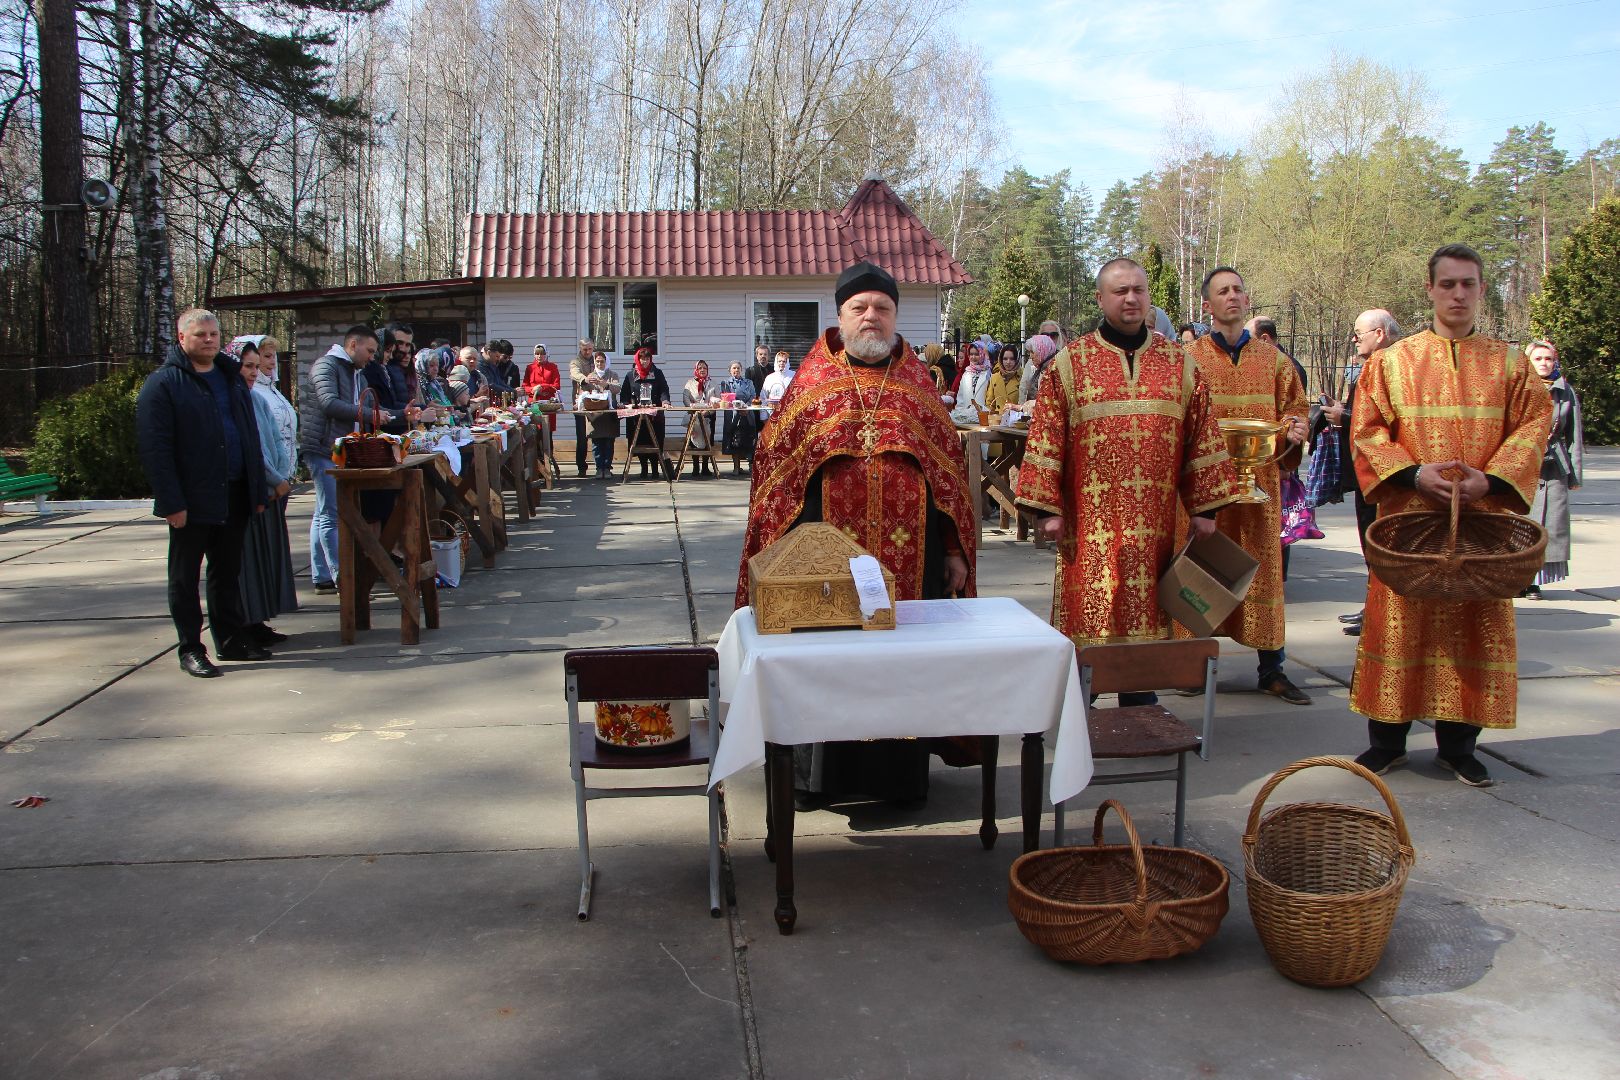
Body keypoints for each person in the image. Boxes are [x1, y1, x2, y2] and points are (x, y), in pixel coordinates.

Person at [735, 261, 978, 807]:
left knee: (903, 662)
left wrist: (955, 550)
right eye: (859, 308)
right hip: (822, 564)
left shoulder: (917, 383)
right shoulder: (812, 381)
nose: (872, 317)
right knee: (825, 662)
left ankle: (898, 782)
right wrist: (777, 555)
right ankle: (817, 781)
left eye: (882, 308)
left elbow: (946, 478)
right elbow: (775, 470)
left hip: (912, 561)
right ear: (840, 315)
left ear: (896, 316)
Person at [1349, 243, 1552, 787]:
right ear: (1430, 289)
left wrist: (1495, 478)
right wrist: (1414, 474)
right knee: (1398, 627)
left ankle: (1459, 747)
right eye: (1447, 284)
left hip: (1480, 525)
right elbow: (1366, 431)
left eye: (1468, 284)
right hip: (1410, 526)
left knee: (1473, 627)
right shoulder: (1392, 361)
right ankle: (1386, 742)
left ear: (1481, 289)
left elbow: (1534, 425)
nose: (1457, 294)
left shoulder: (1510, 363)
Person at [1016, 259, 1240, 706]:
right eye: (1120, 291)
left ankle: (1140, 707)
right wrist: (1045, 509)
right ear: (1100, 299)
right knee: (1089, 621)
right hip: (1089, 528)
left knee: (1147, 617)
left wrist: (1206, 508)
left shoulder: (1179, 364)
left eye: (1139, 289)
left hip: (1155, 526)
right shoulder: (1070, 364)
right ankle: (1080, 711)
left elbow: (1201, 436)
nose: (1131, 298)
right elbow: (1046, 437)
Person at [1177, 267, 1311, 706]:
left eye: (1238, 289)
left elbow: (1295, 408)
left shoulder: (1274, 360)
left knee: (1263, 574)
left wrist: (1294, 429)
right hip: (1204, 492)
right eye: (1223, 291)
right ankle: (1193, 665)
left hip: (1259, 489)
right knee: (1200, 572)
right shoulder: (1188, 358)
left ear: (1247, 301)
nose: (1232, 296)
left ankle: (1272, 669)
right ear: (1207, 305)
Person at [136, 309, 270, 678]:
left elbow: (248, 435)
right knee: (184, 577)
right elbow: (155, 448)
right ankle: (191, 649)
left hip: (235, 492)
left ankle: (230, 640)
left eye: (213, 334)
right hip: (192, 498)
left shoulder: (230, 378)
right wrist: (171, 501)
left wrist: (256, 490)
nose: (209, 340)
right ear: (182, 338)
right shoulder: (164, 384)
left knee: (226, 572)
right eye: (200, 334)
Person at [299, 325, 394, 594]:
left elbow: (368, 408)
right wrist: (372, 416)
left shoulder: (356, 373)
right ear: (353, 345)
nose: (372, 357)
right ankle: (344, 580)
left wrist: (399, 414)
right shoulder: (326, 366)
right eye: (370, 351)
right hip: (323, 447)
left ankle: (322, 576)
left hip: (339, 449)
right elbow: (329, 403)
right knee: (332, 514)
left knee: (323, 512)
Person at [1323, 309, 1400, 636]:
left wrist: (1344, 416)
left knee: (1381, 547)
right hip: (1364, 474)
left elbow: (1387, 422)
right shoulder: (1371, 366)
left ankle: (1381, 613)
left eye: (1359, 332)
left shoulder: (1395, 367)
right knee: (1370, 546)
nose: (1354, 339)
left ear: (1379, 334)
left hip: (1385, 477)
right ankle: (1372, 607)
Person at [233, 339, 299, 645]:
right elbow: (252, 449)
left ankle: (260, 619)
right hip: (253, 489)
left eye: (255, 366)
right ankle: (244, 622)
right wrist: (273, 479)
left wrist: (282, 476)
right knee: (248, 561)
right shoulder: (233, 400)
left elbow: (277, 440)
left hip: (274, 487)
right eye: (247, 366)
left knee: (267, 557)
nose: (253, 372)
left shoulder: (259, 398)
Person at [1524, 338, 1584, 597]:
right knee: (1521, 523)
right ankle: (1517, 577)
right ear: (1528, 361)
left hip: (1554, 467)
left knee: (1550, 524)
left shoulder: (1564, 391)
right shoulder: (1518, 387)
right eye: (1538, 358)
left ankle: (1534, 581)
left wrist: (1575, 474)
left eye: (1548, 359)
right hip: (1523, 464)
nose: (1544, 363)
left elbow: (1574, 435)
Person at [620, 347, 674, 479]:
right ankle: (643, 467)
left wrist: (665, 401)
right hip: (637, 416)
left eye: (647, 359)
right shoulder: (631, 375)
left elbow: (664, 390)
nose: (645, 361)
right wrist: (626, 404)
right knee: (638, 441)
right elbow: (624, 394)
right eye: (642, 359)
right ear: (638, 360)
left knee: (655, 440)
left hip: (654, 415)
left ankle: (655, 468)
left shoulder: (657, 373)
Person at [579, 350, 621, 476]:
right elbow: (583, 391)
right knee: (596, 443)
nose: (599, 364)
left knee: (609, 442)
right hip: (594, 414)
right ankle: (598, 468)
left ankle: (607, 468)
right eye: (597, 361)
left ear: (606, 362)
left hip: (609, 414)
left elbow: (617, 389)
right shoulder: (590, 375)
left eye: (602, 361)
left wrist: (606, 385)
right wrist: (586, 382)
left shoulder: (612, 374)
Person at [718, 360, 759, 472]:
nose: (736, 370)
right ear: (730, 370)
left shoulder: (749, 382)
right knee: (734, 439)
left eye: (738, 368)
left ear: (741, 370)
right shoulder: (725, 383)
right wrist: (739, 407)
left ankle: (750, 466)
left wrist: (745, 407)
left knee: (749, 438)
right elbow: (726, 397)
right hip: (733, 415)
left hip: (747, 413)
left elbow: (753, 395)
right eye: (734, 368)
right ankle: (736, 467)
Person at [680, 360, 718, 478]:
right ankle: (695, 467)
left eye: (704, 368)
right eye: (700, 368)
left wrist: (708, 411)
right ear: (696, 370)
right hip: (694, 415)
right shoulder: (690, 383)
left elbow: (717, 399)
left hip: (708, 415)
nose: (702, 370)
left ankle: (705, 467)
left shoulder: (713, 383)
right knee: (694, 441)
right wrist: (694, 410)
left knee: (707, 440)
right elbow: (685, 399)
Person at [523, 343, 562, 434]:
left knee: (548, 431)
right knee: (535, 431)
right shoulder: (530, 368)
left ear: (547, 354)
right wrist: (534, 390)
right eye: (537, 354)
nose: (539, 356)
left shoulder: (553, 367)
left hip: (549, 404)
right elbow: (525, 386)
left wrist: (542, 387)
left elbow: (556, 386)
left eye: (542, 354)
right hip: (534, 402)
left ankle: (549, 443)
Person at [570, 339, 595, 477]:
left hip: (597, 403)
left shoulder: (597, 360)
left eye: (590, 349)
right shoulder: (575, 362)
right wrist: (585, 379)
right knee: (582, 438)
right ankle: (581, 467)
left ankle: (603, 466)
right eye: (585, 349)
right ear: (580, 348)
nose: (587, 352)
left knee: (600, 435)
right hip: (580, 405)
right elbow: (575, 373)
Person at [1017, 332, 1059, 409]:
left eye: (1032, 352)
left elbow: (1050, 402)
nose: (1030, 356)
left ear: (1043, 351)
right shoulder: (1041, 368)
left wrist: (1025, 406)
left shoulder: (1053, 371)